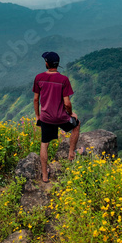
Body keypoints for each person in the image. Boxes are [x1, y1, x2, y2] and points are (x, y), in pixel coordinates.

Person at [33, 51, 80, 183]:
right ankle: (71, 153)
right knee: (76, 125)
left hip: (46, 118)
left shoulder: (39, 78)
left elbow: (36, 100)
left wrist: (38, 116)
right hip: (61, 117)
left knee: (44, 144)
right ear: (57, 64)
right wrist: (71, 114)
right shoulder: (63, 80)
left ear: (47, 64)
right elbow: (67, 102)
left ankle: (44, 176)